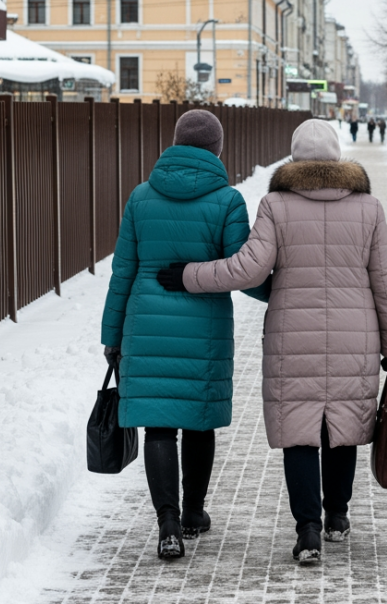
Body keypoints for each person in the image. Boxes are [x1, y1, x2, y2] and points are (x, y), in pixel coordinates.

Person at [156, 120, 387, 565]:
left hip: (292, 336)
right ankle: (336, 516)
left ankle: (307, 531)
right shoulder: (369, 208)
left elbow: (247, 270)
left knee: (299, 433)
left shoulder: (275, 205)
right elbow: (385, 283)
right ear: (336, 155)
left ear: (294, 157)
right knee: (343, 428)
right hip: (355, 337)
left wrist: (190, 275)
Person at [101, 110, 265, 560]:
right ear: (217, 149)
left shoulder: (140, 197)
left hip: (146, 326)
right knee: (198, 420)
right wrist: (284, 292)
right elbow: (243, 270)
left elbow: (123, 272)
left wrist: (112, 335)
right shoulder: (228, 201)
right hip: (204, 330)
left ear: (175, 143)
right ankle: (193, 511)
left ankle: (168, 523)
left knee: (158, 424)